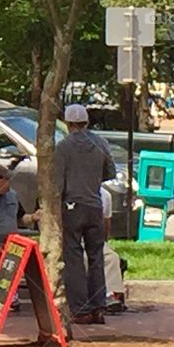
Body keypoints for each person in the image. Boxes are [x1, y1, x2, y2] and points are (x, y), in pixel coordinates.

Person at [55, 104, 117, 325]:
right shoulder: (100, 143)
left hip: (72, 206)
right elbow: (111, 171)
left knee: (73, 257)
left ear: (68, 123)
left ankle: (80, 309)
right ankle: (99, 306)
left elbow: (58, 182)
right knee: (96, 256)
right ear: (87, 122)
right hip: (94, 206)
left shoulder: (62, 147)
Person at [101, 186, 127, 313]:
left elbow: (106, 222)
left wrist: (104, 241)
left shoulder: (105, 195)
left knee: (112, 257)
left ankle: (110, 295)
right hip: (73, 239)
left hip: (94, 238)